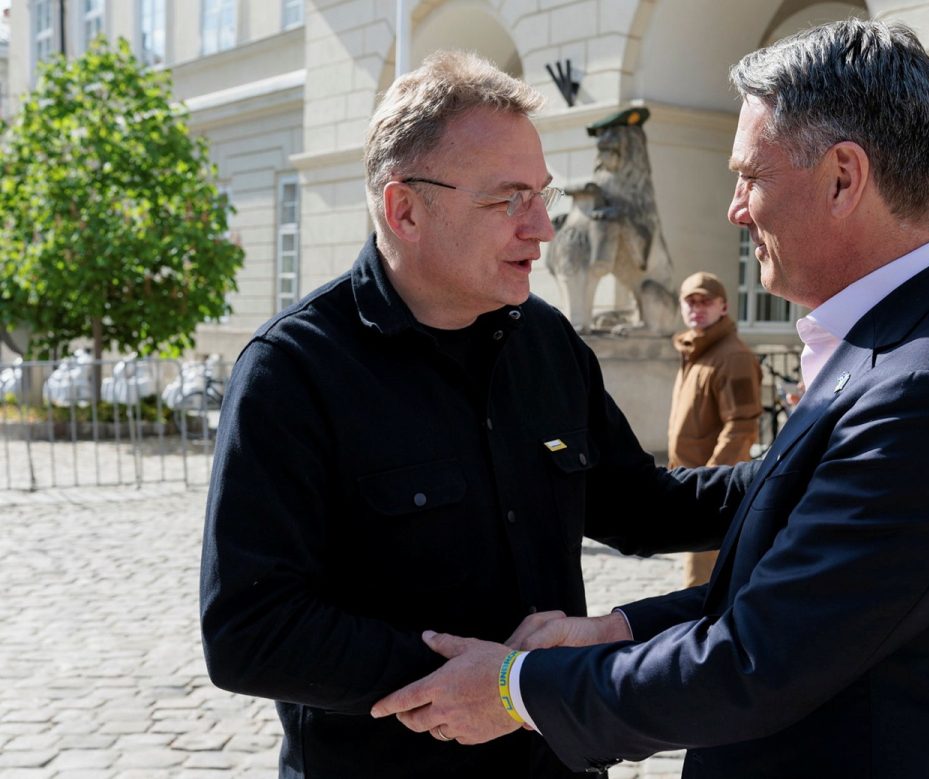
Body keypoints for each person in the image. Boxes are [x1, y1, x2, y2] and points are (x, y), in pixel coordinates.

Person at [370, 20, 929, 779]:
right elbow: (774, 595)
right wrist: (615, 627)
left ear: (843, 178)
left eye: (750, 175)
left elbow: (755, 660)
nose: (737, 208)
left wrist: (514, 689)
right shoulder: (903, 347)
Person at [199, 50, 734, 778]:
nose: (544, 228)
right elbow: (251, 631)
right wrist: (480, 679)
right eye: (508, 199)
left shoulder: (545, 340)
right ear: (406, 208)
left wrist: (805, 468)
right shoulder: (294, 371)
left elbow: (641, 506)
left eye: (541, 194)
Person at [668, 271, 761, 586]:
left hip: (709, 490)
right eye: (690, 301)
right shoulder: (696, 349)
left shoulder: (732, 356)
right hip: (691, 483)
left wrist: (711, 481)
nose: (697, 308)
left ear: (723, 307)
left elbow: (742, 424)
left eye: (705, 301)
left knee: (702, 584)